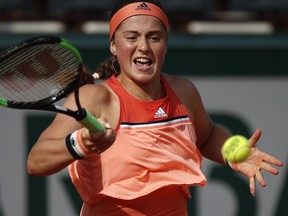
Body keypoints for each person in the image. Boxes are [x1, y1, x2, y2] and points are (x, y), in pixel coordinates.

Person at [26, 0, 284, 215]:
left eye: (154, 37)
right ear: (114, 45)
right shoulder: (94, 98)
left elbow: (206, 136)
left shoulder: (184, 92)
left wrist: (233, 153)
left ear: (165, 45)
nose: (144, 47)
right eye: (132, 37)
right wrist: (81, 143)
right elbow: (36, 161)